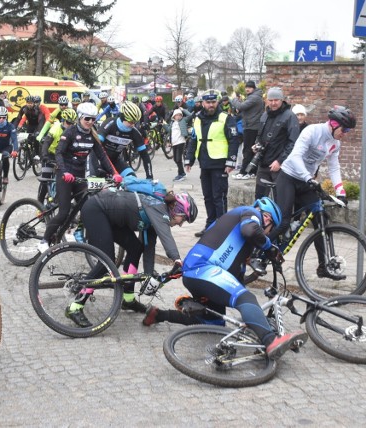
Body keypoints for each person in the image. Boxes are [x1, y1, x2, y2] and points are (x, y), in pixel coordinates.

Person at [143, 197, 308, 361]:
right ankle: (271, 341)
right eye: (270, 229)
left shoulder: (237, 233)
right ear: (267, 218)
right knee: (246, 298)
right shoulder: (251, 213)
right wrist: (268, 247)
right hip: (204, 269)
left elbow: (236, 281)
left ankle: (159, 315)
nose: (267, 234)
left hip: (196, 273)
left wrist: (254, 312)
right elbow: (250, 231)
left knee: (213, 322)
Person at [69, 190, 197, 326]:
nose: (181, 224)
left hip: (110, 217)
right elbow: (166, 237)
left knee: (135, 248)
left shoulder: (156, 215)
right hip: (96, 210)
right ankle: (75, 307)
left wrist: (149, 274)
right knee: (106, 262)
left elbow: (149, 247)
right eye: (183, 219)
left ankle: (128, 299)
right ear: (176, 210)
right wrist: (176, 258)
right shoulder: (159, 211)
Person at [268, 106, 356, 280]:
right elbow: (294, 156)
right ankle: (259, 250)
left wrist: (340, 191)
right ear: (333, 123)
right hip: (289, 176)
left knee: (321, 219)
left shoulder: (334, 143)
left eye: (348, 130)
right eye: (344, 129)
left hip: (306, 182)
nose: (345, 133)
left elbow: (333, 166)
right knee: (284, 221)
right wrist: (309, 178)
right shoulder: (312, 131)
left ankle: (323, 267)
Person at [37, 102, 121, 253]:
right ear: (80, 117)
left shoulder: (92, 135)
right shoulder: (69, 132)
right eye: (87, 119)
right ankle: (44, 240)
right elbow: (59, 153)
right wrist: (64, 171)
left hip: (79, 176)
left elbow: (102, 156)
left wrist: (115, 173)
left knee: (88, 207)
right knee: (64, 212)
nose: (90, 122)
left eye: (93, 119)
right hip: (65, 175)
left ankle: (79, 233)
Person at [184, 89, 240, 238]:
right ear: (202, 103)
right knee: (208, 196)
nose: (210, 105)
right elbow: (194, 140)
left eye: (213, 102)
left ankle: (222, 228)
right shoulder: (198, 118)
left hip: (220, 163)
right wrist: (189, 159)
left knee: (219, 196)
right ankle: (210, 225)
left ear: (217, 102)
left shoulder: (225, 118)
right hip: (205, 162)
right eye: (208, 102)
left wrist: (231, 161)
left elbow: (234, 140)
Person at [251, 87, 299, 199]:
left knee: (280, 201)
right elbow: (259, 136)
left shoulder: (290, 116)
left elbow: (293, 142)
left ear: (282, 100)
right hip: (263, 164)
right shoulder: (265, 115)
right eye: (270, 100)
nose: (273, 103)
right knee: (260, 199)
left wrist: (280, 161)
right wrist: (256, 145)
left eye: (276, 100)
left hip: (280, 167)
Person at [94, 101, 152, 179]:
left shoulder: (134, 132)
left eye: (135, 122)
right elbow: (95, 145)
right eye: (131, 122)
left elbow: (145, 156)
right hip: (99, 160)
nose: (133, 125)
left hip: (115, 160)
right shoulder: (110, 123)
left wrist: (150, 177)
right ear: (123, 117)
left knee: (132, 178)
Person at [38, 108, 77, 203]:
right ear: (63, 121)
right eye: (68, 123)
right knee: (45, 180)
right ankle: (39, 204)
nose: (70, 126)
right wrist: (45, 156)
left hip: (63, 156)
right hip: (50, 154)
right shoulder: (56, 128)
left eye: (73, 123)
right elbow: (46, 143)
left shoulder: (74, 131)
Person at [231, 81, 265, 179]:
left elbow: (241, 106)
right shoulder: (254, 97)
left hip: (251, 126)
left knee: (247, 150)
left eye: (249, 87)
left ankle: (244, 172)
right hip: (251, 125)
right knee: (252, 149)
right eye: (246, 87)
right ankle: (251, 172)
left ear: (254, 88)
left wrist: (234, 99)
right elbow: (245, 109)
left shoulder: (254, 97)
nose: (247, 89)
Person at [169, 109, 190, 182]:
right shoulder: (172, 123)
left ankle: (181, 174)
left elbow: (190, 115)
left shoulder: (183, 121)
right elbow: (169, 130)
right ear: (174, 116)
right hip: (174, 142)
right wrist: (164, 124)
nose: (178, 117)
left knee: (178, 159)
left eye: (180, 115)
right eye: (176, 115)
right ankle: (182, 173)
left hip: (180, 142)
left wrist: (183, 110)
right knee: (175, 159)